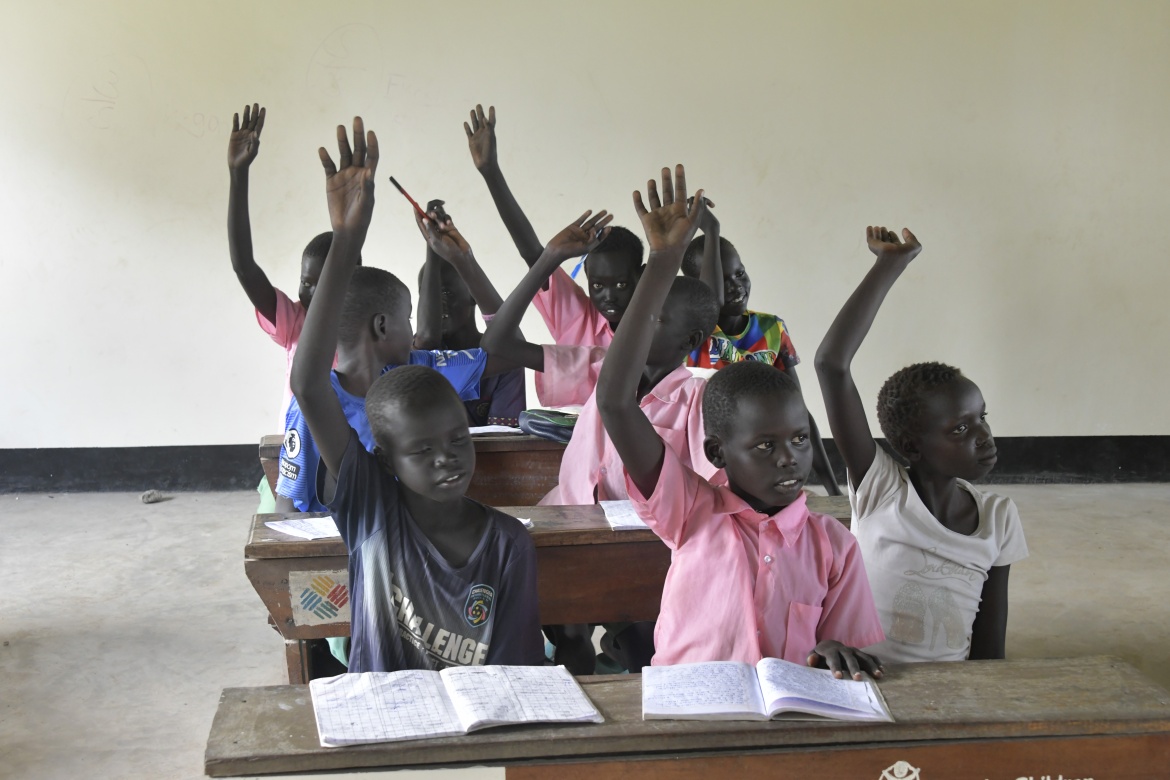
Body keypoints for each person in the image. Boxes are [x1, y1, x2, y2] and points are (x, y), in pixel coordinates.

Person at [597, 165, 885, 678]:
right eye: (765, 446)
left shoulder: (834, 546)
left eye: (799, 439)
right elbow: (616, 403)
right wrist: (663, 261)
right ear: (716, 454)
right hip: (690, 715)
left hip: (785, 724)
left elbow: (845, 648)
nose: (789, 458)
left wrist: (841, 653)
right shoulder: (689, 512)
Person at [289, 116, 543, 673]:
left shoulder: (508, 545)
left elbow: (518, 669)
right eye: (422, 451)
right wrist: (347, 240)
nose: (448, 458)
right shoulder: (371, 509)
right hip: (385, 719)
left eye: (456, 440)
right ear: (386, 459)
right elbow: (308, 384)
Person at [482, 201, 723, 675]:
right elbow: (498, 344)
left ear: (689, 338)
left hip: (645, 545)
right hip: (566, 528)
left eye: (652, 317)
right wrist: (549, 257)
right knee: (562, 629)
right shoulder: (600, 367)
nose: (635, 320)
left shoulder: (698, 400)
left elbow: (708, 490)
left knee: (643, 642)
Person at [814, 226, 1028, 663]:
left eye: (981, 417)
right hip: (861, 680)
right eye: (960, 429)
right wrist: (890, 265)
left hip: (948, 698)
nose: (984, 436)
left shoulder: (999, 518)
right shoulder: (882, 491)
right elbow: (831, 364)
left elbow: (990, 651)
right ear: (912, 447)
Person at [466, 104, 642, 373]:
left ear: (640, 277)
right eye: (597, 286)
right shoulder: (576, 316)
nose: (609, 297)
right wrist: (491, 172)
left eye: (620, 284)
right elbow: (533, 254)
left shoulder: (659, 324)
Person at [680, 216, 842, 496]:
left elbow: (798, 409)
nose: (736, 286)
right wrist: (712, 230)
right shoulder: (694, 335)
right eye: (723, 279)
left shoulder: (772, 328)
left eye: (740, 273)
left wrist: (832, 486)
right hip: (706, 459)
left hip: (763, 462)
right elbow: (709, 299)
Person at [412, 200, 526, 427]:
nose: (439, 305)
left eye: (446, 293)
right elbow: (426, 337)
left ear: (473, 295)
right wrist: (432, 248)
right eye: (431, 298)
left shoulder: (503, 359)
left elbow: (504, 438)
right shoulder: (413, 355)